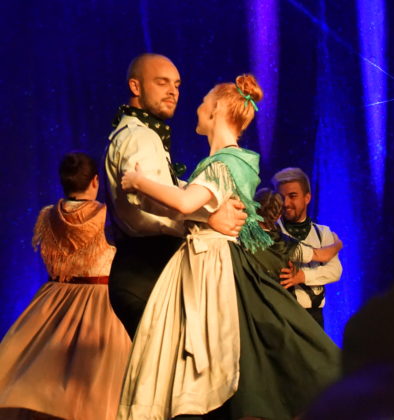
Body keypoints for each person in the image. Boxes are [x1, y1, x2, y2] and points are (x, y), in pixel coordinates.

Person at [116, 74, 340, 420]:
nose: (197, 106)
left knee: (211, 354)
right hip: (208, 258)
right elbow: (195, 201)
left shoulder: (223, 164)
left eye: (203, 101)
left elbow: (185, 203)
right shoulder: (230, 162)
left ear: (217, 109)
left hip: (212, 264)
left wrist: (138, 181)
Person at [105, 53, 246, 338]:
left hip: (150, 265)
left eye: (177, 85)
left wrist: (203, 196)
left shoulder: (145, 134)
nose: (173, 92)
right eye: (162, 82)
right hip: (145, 268)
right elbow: (146, 197)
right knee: (164, 361)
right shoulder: (139, 136)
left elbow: (161, 186)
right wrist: (209, 216)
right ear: (135, 86)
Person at [0, 152, 131, 420]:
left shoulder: (48, 215)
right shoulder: (108, 216)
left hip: (53, 302)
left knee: (43, 370)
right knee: (95, 383)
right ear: (95, 181)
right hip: (99, 303)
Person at [272, 167, 343, 327]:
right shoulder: (272, 231)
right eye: (281, 197)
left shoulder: (322, 232)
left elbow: (335, 271)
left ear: (307, 197)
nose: (286, 203)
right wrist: (335, 247)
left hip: (314, 317)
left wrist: (303, 276)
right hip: (281, 317)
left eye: (292, 196)